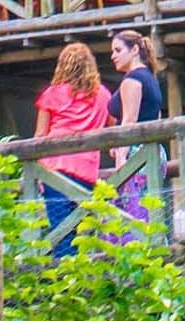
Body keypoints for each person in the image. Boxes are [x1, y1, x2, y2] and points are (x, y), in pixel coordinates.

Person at [32, 40, 112, 254]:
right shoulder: (102, 94)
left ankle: (65, 278)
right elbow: (113, 124)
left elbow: (40, 136)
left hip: (55, 168)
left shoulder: (52, 93)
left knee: (60, 228)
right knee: (83, 229)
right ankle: (83, 276)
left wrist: (38, 171)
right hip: (87, 169)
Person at [107, 29, 168, 230]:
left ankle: (142, 255)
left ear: (134, 50)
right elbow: (156, 117)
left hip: (136, 155)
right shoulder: (151, 78)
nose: (113, 56)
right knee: (148, 212)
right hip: (153, 151)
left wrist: (120, 160)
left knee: (132, 214)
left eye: (117, 50)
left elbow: (129, 122)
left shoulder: (132, 80)